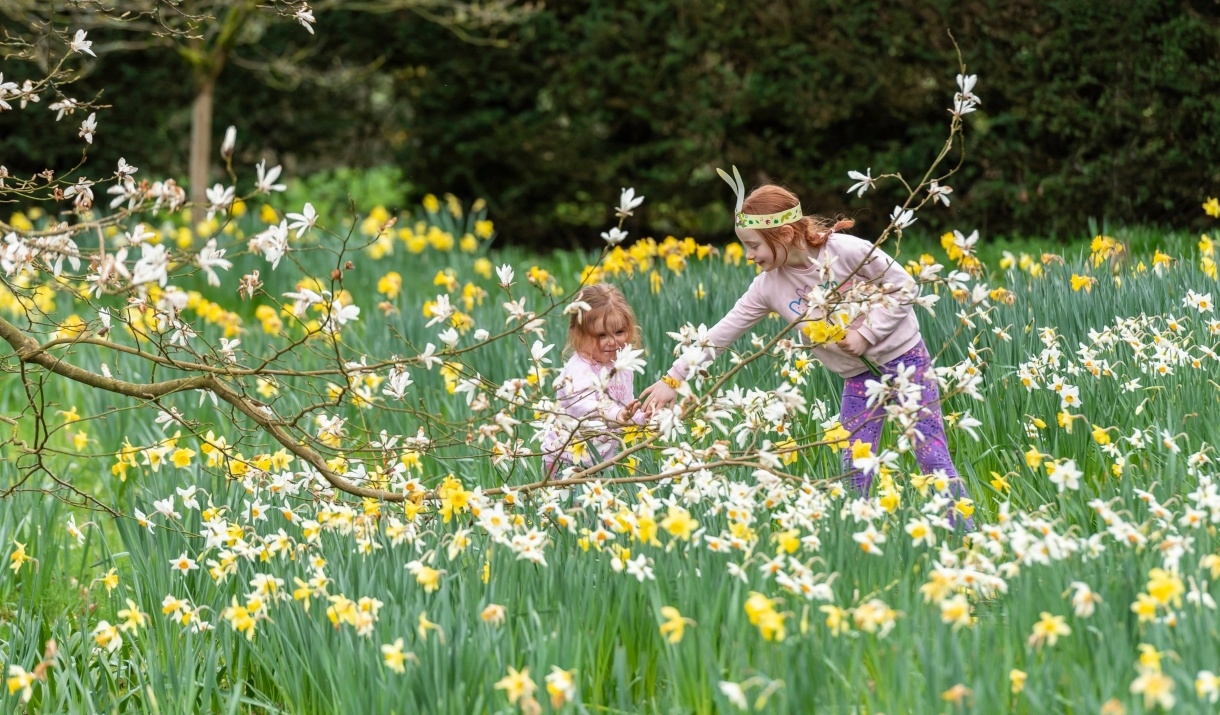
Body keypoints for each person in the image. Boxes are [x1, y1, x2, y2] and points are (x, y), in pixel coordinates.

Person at [640, 168, 972, 524]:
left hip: (906, 361)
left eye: (753, 245)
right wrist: (673, 380)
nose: (749, 255)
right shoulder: (769, 286)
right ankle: (855, 539)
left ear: (783, 233)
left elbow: (904, 286)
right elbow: (722, 333)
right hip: (858, 378)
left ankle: (964, 533)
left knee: (930, 451)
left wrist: (866, 335)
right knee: (853, 462)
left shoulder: (846, 251)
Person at [541, 283, 647, 475]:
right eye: (601, 335)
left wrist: (641, 418)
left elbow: (624, 407)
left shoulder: (622, 366)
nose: (613, 342)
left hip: (602, 459)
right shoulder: (579, 369)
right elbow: (585, 406)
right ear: (579, 334)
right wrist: (617, 415)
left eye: (619, 332)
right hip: (566, 457)